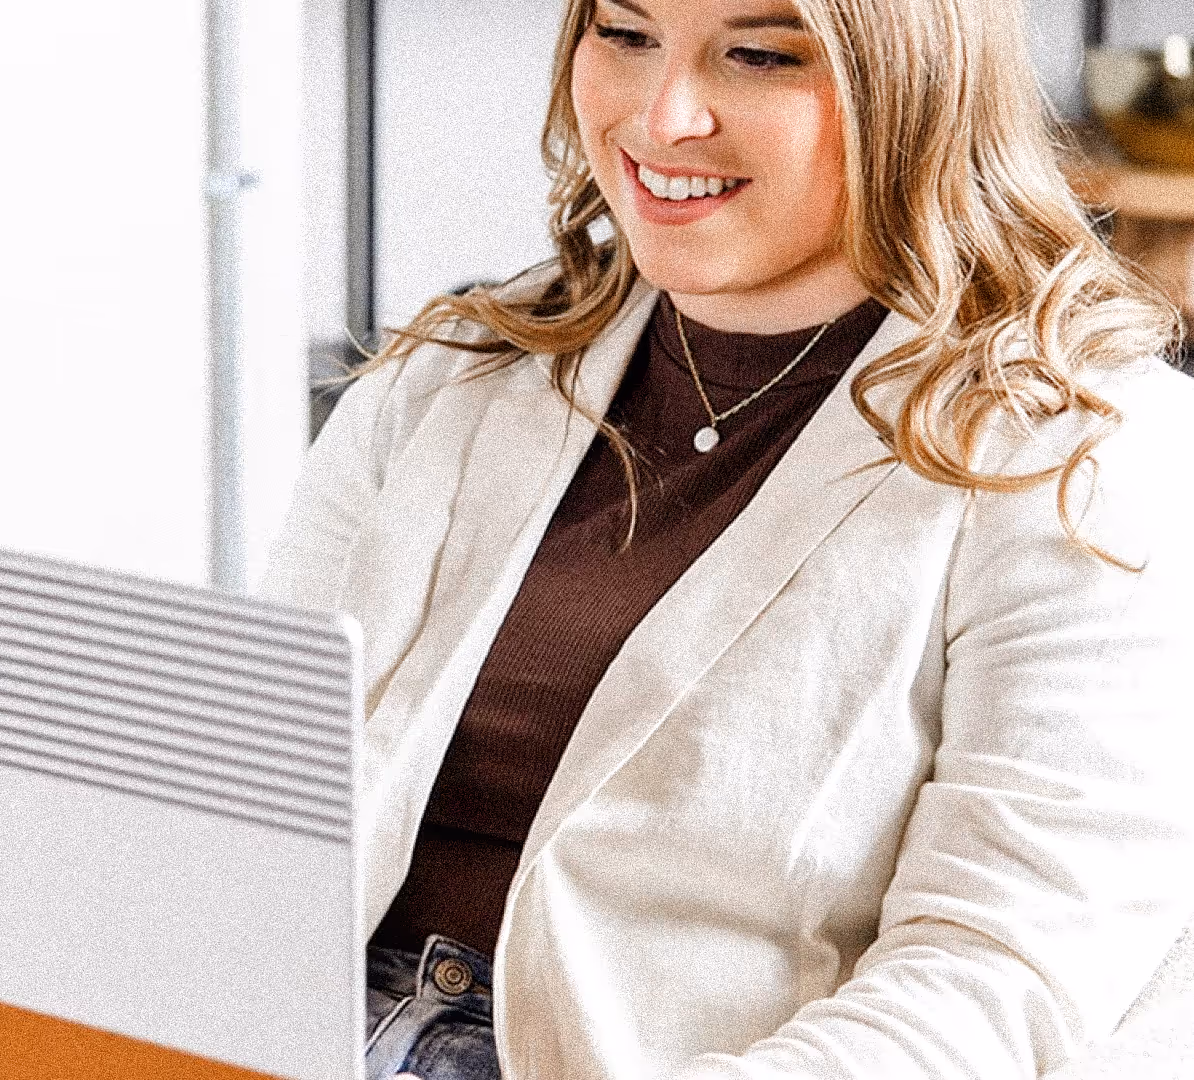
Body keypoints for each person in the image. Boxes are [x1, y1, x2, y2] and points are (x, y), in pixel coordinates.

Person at [259, 0, 1194, 1078]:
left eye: (756, 55)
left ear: (916, 83)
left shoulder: (1083, 456)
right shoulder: (454, 371)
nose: (662, 117)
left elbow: (994, 979)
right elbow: (253, 795)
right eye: (624, 35)